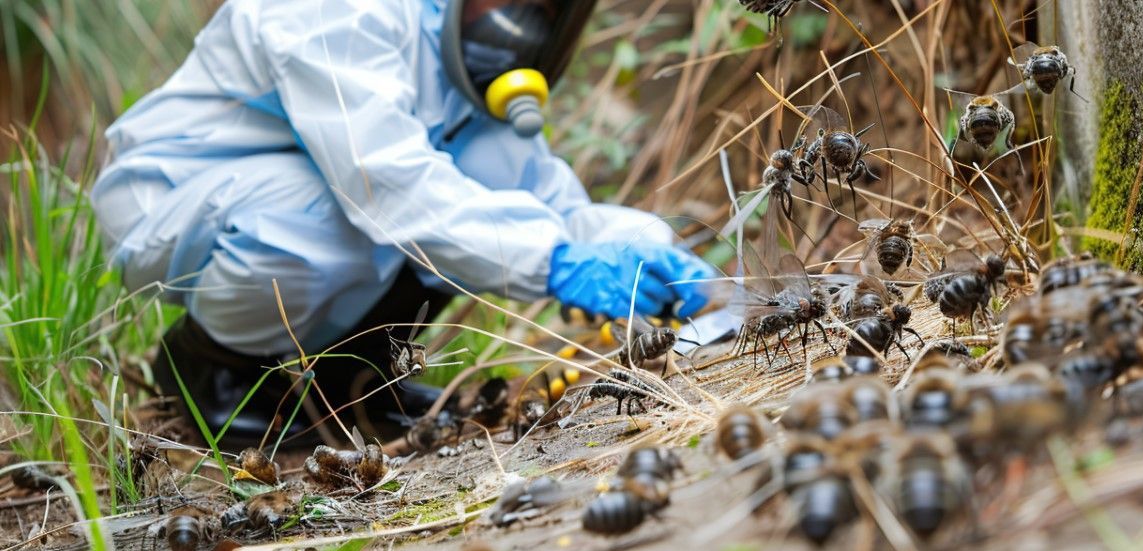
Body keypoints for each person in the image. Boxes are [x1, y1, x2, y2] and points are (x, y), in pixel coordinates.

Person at [92, 0, 713, 445]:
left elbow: (551, 211)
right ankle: (211, 370)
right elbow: (383, 179)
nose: (522, 25)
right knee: (336, 219)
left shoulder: (470, 88)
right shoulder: (347, 12)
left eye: (545, 11)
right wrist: (553, 262)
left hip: (292, 190)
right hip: (178, 194)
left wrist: (655, 256)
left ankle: (352, 383)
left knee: (466, 208)